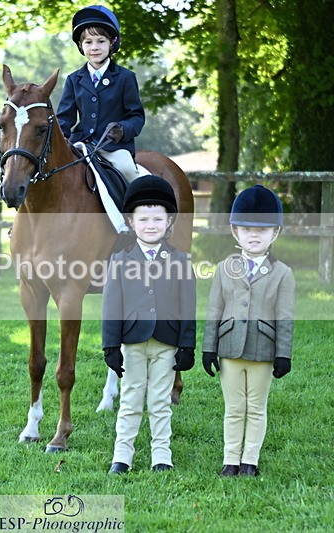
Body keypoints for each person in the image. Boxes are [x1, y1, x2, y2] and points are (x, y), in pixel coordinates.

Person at [102, 175, 196, 474]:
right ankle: (122, 455)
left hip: (167, 342)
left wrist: (187, 345)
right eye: (143, 219)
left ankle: (161, 455)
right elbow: (111, 307)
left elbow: (188, 307)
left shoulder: (180, 260)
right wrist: (110, 346)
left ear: (169, 223)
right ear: (131, 222)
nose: (151, 225)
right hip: (132, 342)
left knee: (160, 400)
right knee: (130, 398)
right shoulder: (119, 260)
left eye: (158, 219)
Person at [201, 184, 295, 477]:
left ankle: (250, 461)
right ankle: (230, 459)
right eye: (246, 229)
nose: (254, 235)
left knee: (255, 407)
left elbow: (285, 317)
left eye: (263, 230)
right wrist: (208, 348)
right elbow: (214, 311)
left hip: (262, 350)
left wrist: (284, 354)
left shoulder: (283, 273)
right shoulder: (223, 268)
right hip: (229, 347)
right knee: (233, 408)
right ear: (235, 232)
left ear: (275, 233)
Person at [57, 5, 145, 182]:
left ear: (112, 42)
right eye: (88, 42)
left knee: (129, 172)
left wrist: (122, 129)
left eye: (101, 41)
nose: (94, 47)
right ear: (81, 46)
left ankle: (136, 200)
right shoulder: (73, 79)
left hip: (114, 147)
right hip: (80, 145)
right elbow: (64, 119)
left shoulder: (125, 77)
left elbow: (136, 116)